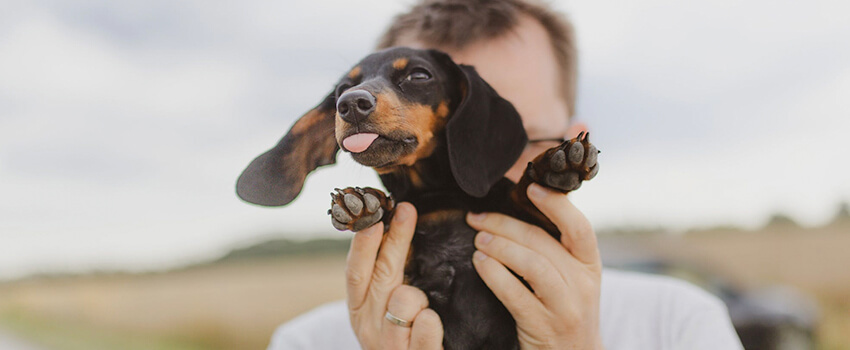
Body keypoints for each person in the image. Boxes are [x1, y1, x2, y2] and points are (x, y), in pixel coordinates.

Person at [269, 0, 744, 349]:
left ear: (571, 146)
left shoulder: (679, 324)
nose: (475, 167)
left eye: (512, 136)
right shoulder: (305, 342)